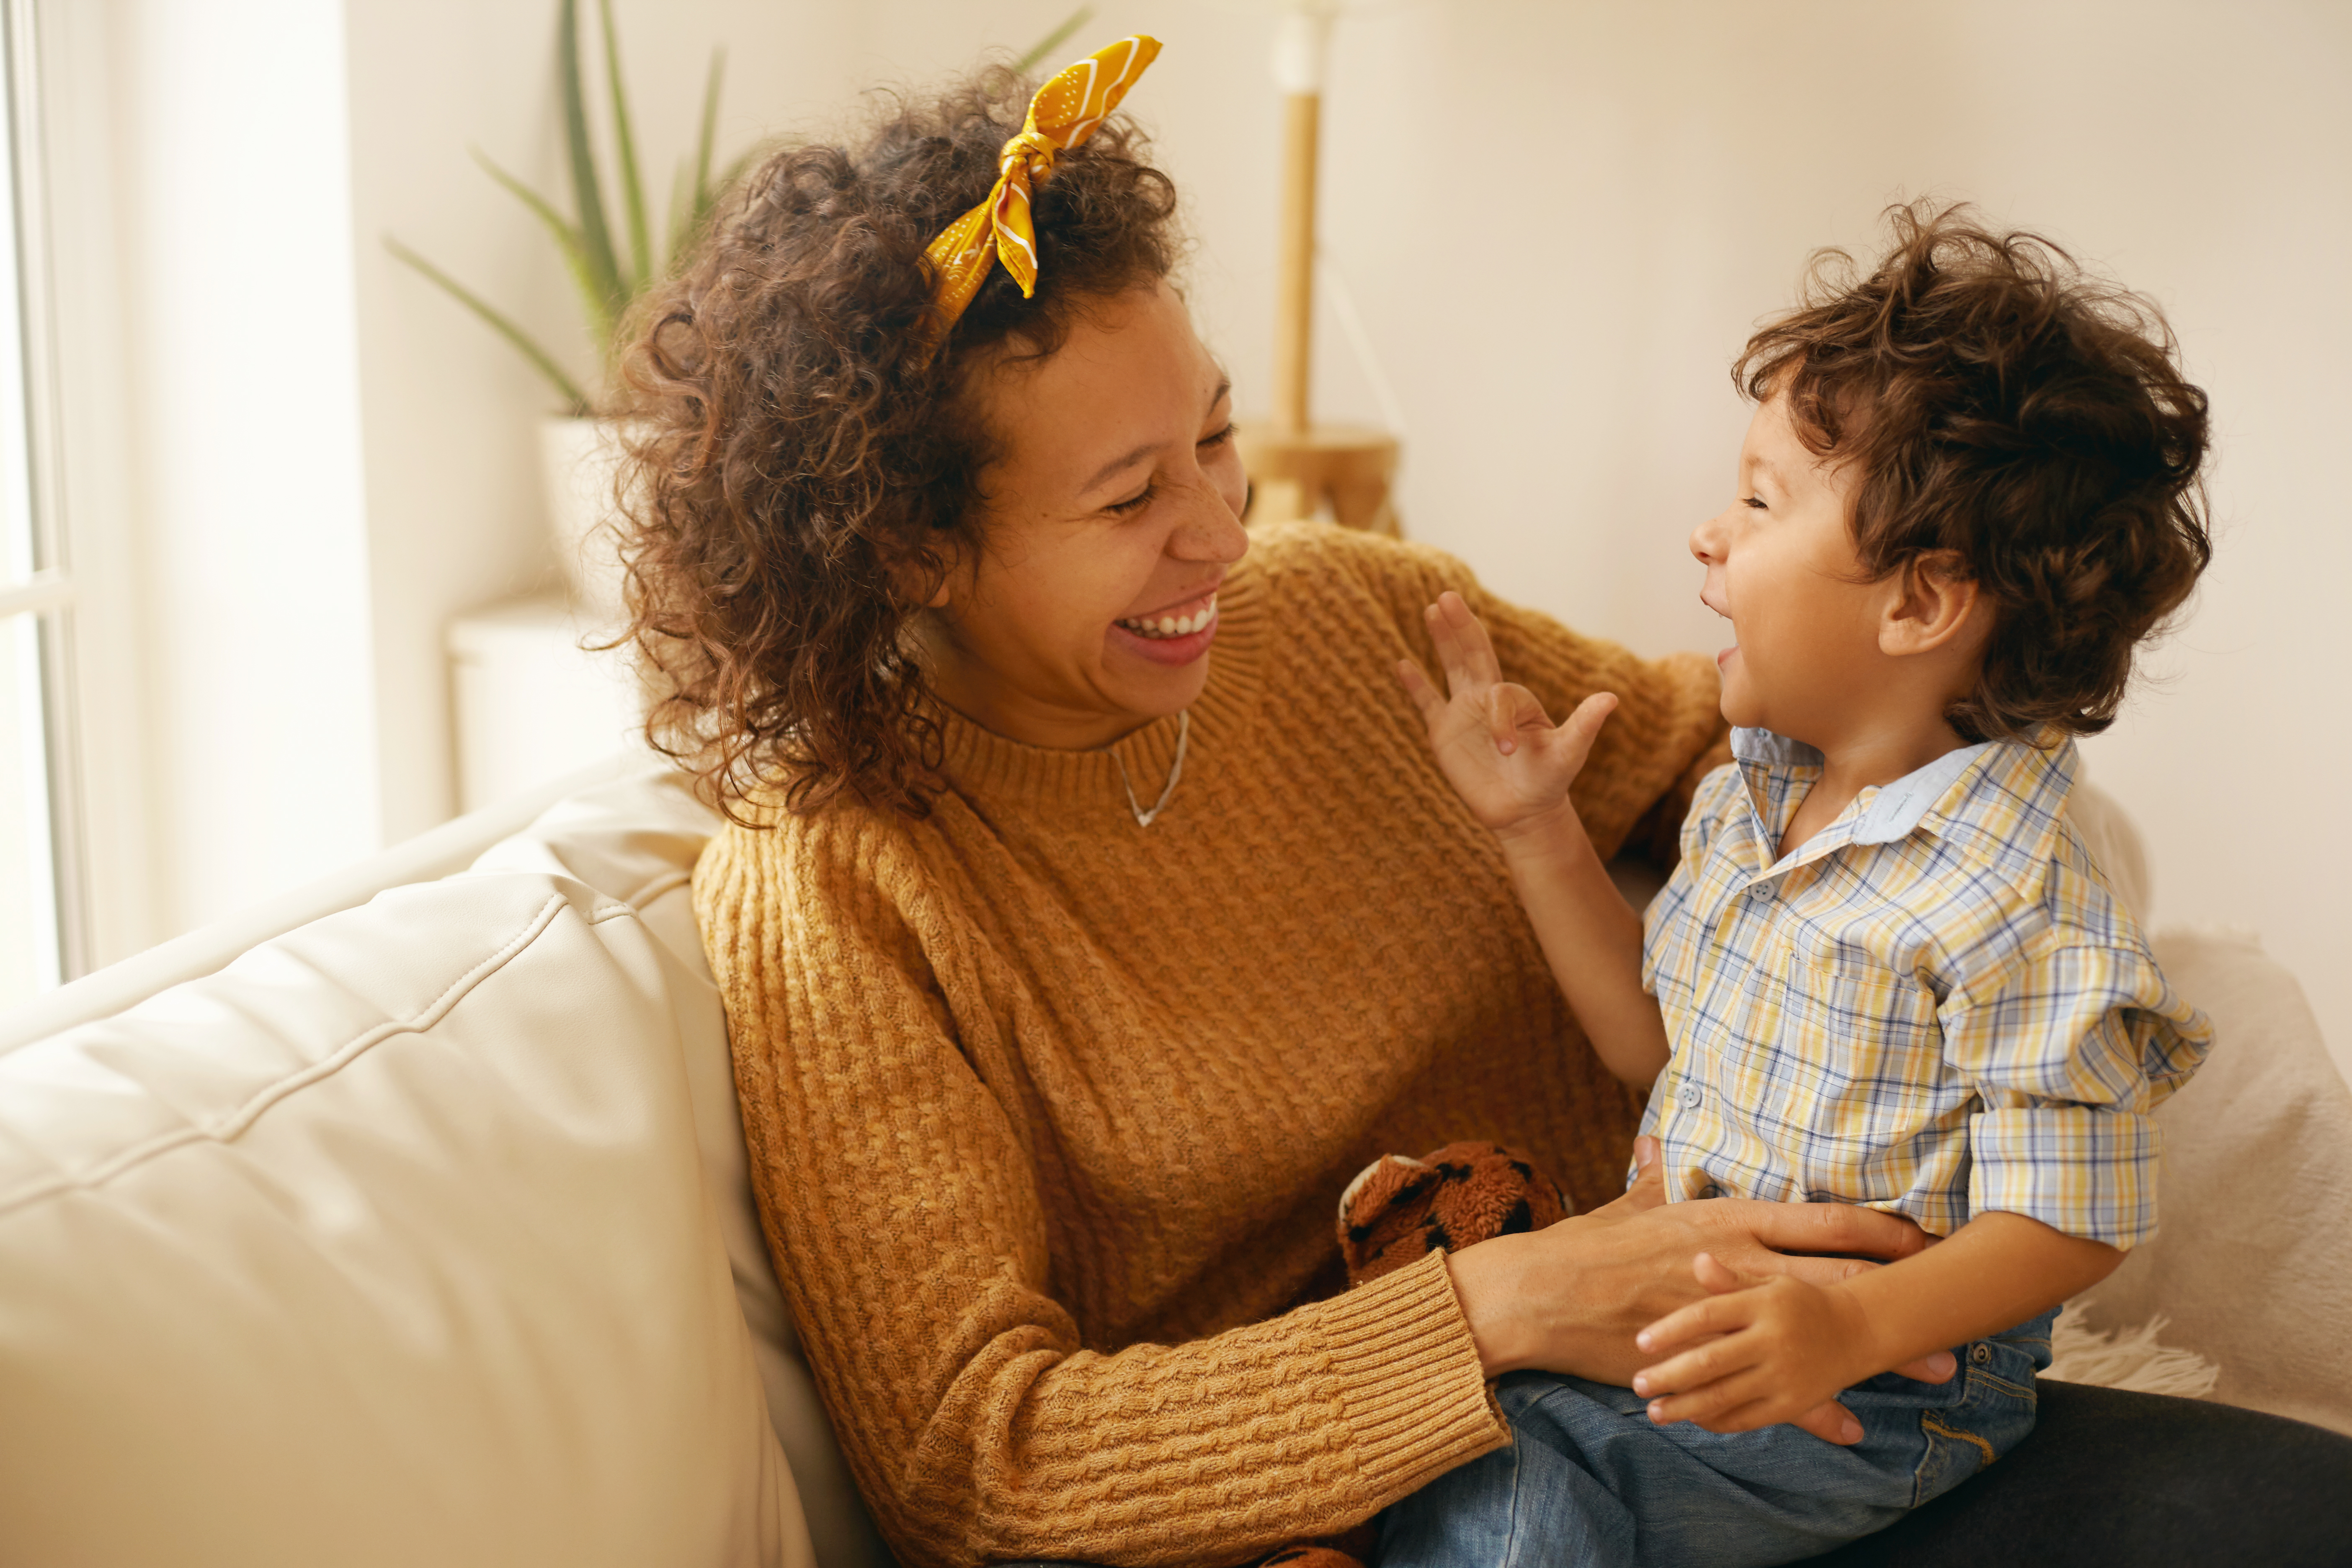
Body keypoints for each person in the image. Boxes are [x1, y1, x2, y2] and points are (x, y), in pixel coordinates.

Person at [614, 40, 2352, 1568]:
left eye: (1217, 441)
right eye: (1135, 495)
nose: (1222, 534)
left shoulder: (1338, 619)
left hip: (1788, 1393)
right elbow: (978, 1465)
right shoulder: (830, 886)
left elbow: (1741, 764)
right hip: (1448, 1494)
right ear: (911, 544)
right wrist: (1511, 1306)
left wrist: (1891, 1228)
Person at [1380, 205, 2212, 1566]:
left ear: (1920, 605)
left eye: (1760, 501)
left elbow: (2077, 1216)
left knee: (1517, 1488)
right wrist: (1537, 829)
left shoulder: (2022, 886)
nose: (1710, 534)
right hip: (1698, 1307)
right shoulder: (1752, 791)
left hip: (1885, 1393)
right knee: (1430, 1427)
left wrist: (1856, 1327)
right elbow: (1655, 1049)